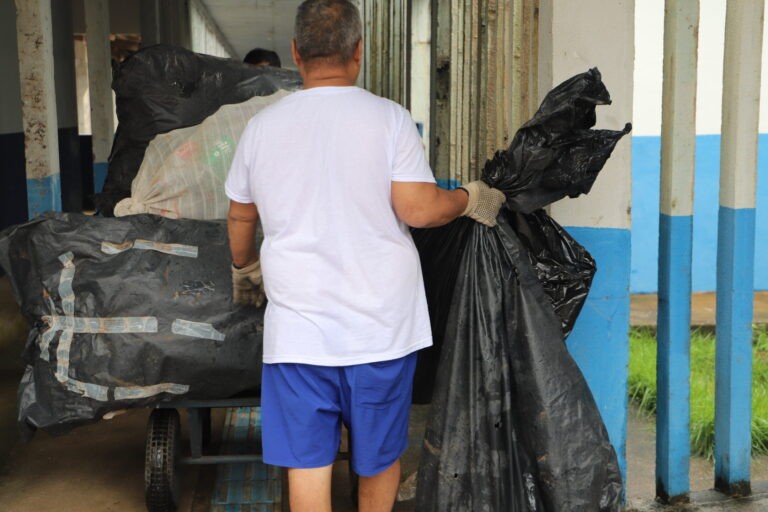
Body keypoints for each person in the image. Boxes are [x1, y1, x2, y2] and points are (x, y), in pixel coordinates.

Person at [224, 1, 505, 510]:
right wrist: (468, 198)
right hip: (380, 331)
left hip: (298, 336)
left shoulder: (262, 128)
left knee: (307, 464)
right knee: (377, 458)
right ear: (358, 52)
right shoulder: (389, 120)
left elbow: (241, 217)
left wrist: (244, 267)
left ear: (295, 53)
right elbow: (419, 209)